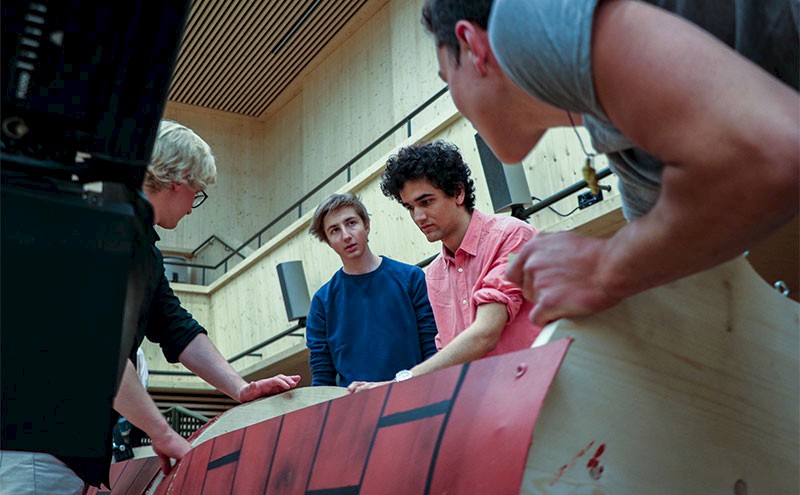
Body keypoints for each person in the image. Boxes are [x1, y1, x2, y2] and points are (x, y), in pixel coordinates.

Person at [420, 0, 799, 326]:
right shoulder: (630, 153)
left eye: (446, 78)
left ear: (472, 46)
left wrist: (604, 268)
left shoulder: (520, 15)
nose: (455, 102)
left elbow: (771, 156)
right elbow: (683, 271)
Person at [0, 120, 301, 494]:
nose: (192, 207)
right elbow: (97, 350)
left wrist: (241, 388)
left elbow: (176, 327)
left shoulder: (141, 246)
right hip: (36, 446)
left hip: (57, 452)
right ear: (180, 179)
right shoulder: (105, 230)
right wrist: (161, 432)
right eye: (197, 193)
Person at [348, 141, 541, 393]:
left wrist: (399, 383)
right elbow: (449, 357)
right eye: (410, 207)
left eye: (426, 202)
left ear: (458, 193)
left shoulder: (513, 235)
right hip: (483, 402)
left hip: (539, 391)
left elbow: (485, 334)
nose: (418, 217)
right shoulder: (435, 274)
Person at [306, 193, 438, 387]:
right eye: (334, 230)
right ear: (328, 241)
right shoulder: (322, 302)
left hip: (415, 396)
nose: (346, 235)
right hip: (355, 404)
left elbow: (433, 351)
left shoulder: (411, 278)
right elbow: (322, 379)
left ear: (366, 225)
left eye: (351, 223)